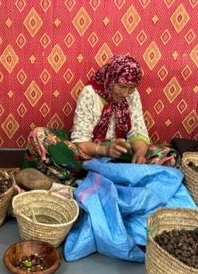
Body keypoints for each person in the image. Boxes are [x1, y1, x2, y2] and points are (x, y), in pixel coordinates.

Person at [23, 54, 178, 185]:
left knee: (168, 154)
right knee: (39, 135)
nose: (126, 93)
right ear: (110, 79)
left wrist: (140, 153)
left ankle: (103, 175)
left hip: (120, 151)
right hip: (90, 150)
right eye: (121, 87)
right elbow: (81, 140)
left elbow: (137, 130)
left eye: (131, 88)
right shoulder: (90, 93)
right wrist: (104, 150)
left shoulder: (132, 95)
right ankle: (118, 175)